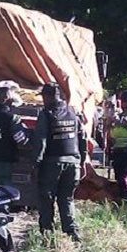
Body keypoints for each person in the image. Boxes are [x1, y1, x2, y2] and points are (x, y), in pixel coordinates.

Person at [32, 83, 86, 241]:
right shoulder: (73, 112)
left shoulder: (46, 114)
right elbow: (82, 137)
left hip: (52, 163)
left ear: (47, 97)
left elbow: (40, 141)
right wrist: (82, 161)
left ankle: (47, 234)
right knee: (66, 198)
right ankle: (72, 233)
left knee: (46, 198)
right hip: (73, 162)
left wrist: (36, 164)